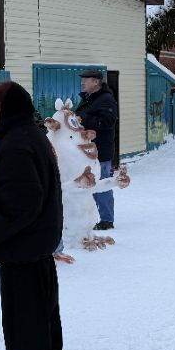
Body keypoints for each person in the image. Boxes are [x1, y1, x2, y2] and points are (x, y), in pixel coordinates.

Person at [0, 81, 70, 350]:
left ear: (8, 109)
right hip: (37, 246)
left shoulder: (17, 144)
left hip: (22, 249)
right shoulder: (30, 135)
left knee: (25, 324)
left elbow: (21, 205)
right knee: (44, 318)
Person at [75, 70, 118, 231]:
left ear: (96, 82)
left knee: (102, 183)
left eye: (86, 80)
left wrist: (83, 119)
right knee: (89, 184)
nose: (83, 82)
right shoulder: (88, 98)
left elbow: (108, 121)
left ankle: (107, 220)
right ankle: (90, 217)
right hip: (87, 150)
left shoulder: (106, 99)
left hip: (101, 150)